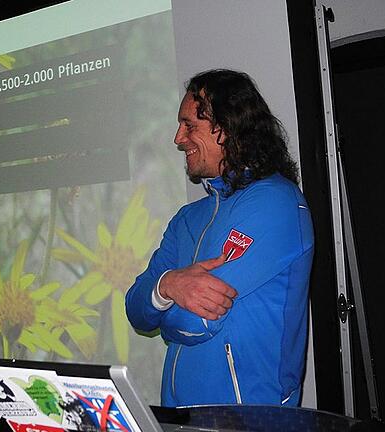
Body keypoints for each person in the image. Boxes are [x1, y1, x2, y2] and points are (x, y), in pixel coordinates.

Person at [125, 69, 314, 407]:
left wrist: (163, 306)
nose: (178, 138)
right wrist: (168, 284)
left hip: (252, 421)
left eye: (189, 125)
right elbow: (136, 308)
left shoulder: (276, 202)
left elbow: (196, 321)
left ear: (227, 128)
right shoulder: (187, 218)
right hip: (180, 420)